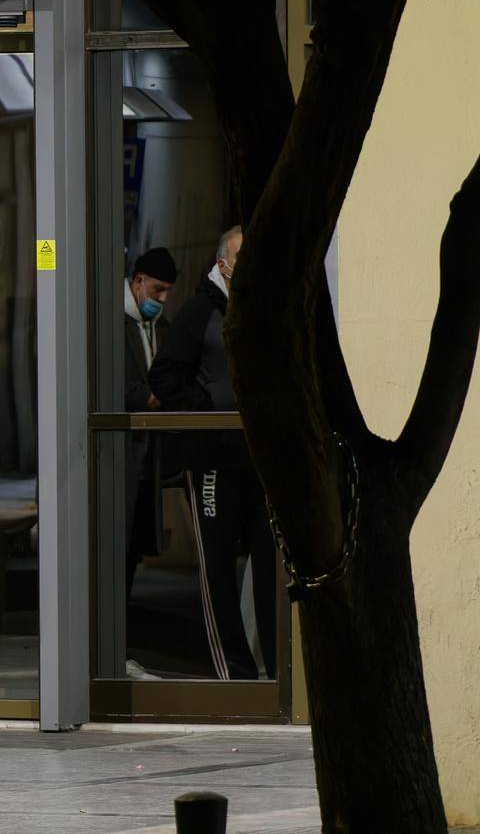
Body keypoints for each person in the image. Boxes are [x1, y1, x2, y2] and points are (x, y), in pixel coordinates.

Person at [149, 225, 277, 681]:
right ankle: (236, 674)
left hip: (262, 459)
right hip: (214, 462)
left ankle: (276, 672)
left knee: (270, 563)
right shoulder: (199, 311)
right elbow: (164, 377)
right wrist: (207, 412)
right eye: (244, 257)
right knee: (219, 568)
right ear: (224, 264)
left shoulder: (265, 306)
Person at [122, 247, 176, 598]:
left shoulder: (160, 328)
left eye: (167, 291)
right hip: (121, 454)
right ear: (138, 281)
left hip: (146, 458)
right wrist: (152, 396)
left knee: (133, 550)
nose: (162, 298)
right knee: (117, 546)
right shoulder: (113, 322)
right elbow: (127, 390)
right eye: (157, 289)